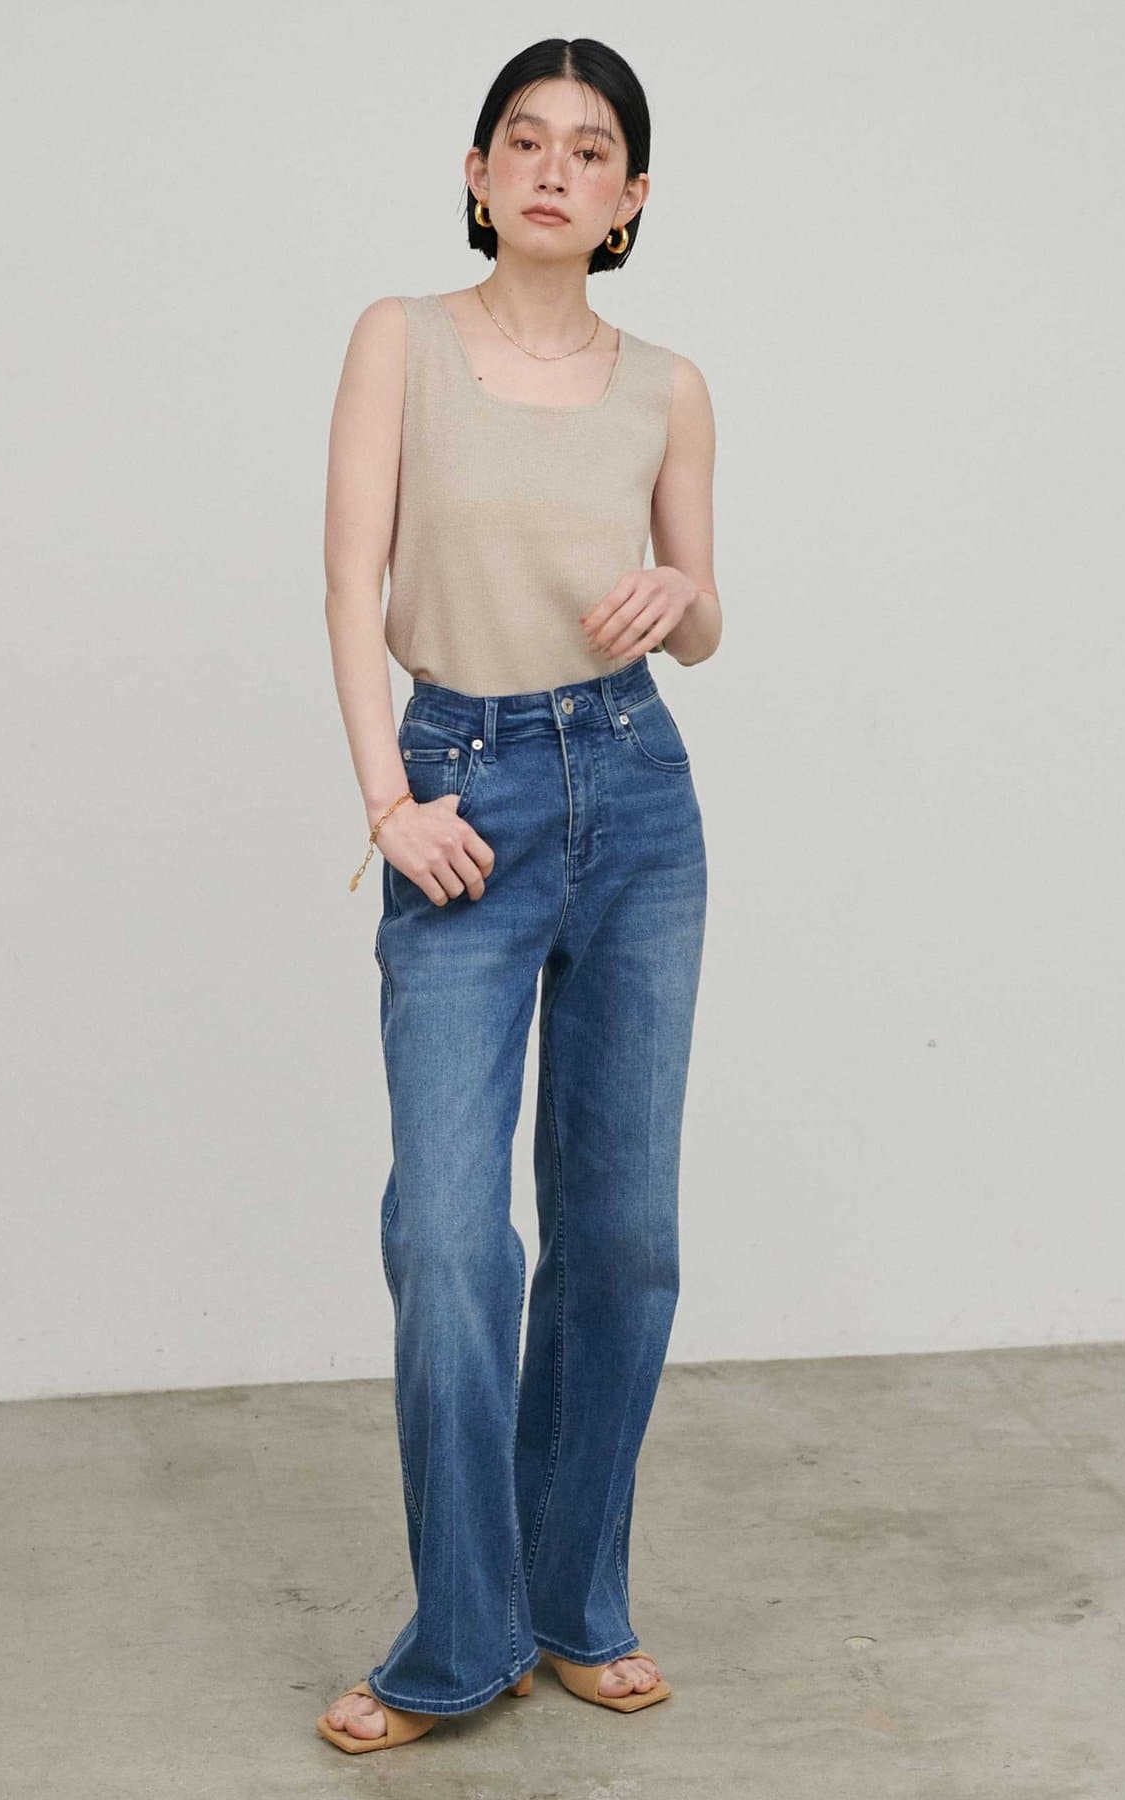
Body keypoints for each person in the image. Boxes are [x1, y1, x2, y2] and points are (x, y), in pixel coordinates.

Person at [317, 37, 721, 1754]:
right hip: (460, 798)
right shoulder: (400, 340)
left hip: (635, 797)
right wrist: (390, 805)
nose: (557, 167)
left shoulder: (668, 386)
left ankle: (574, 1598)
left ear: (632, 198)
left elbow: (707, 618)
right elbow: (349, 583)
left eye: (593, 147)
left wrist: (679, 594)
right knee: (447, 1238)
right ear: (479, 175)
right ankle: (460, 1637)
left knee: (622, 1238)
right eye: (526, 140)